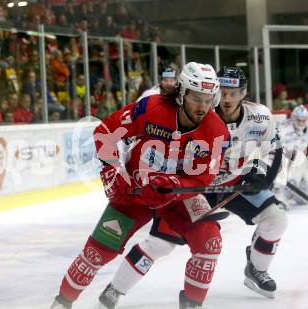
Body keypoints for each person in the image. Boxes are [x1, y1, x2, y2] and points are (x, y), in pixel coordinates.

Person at [96, 66, 288, 309]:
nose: (227, 99)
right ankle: (116, 289)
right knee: (161, 244)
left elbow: (276, 148)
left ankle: (256, 270)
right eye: (224, 93)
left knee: (276, 219)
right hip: (193, 188)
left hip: (233, 184)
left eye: (234, 92)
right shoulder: (199, 113)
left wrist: (264, 176)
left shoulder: (259, 116)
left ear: (244, 93)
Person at [50, 62, 230, 309]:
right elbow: (105, 131)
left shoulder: (216, 131)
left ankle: (192, 304)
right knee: (97, 251)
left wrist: (175, 182)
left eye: (208, 99)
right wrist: (113, 169)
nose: (202, 106)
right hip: (134, 191)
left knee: (210, 242)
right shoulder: (150, 108)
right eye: (196, 98)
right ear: (181, 93)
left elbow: (204, 178)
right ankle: (62, 302)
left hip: (178, 196)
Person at [275, 106, 308, 206]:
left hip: (304, 159)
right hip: (287, 159)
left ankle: (301, 187)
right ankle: (279, 194)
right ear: (293, 118)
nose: (301, 123)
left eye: (304, 120)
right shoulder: (283, 128)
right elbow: (277, 149)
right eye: (299, 120)